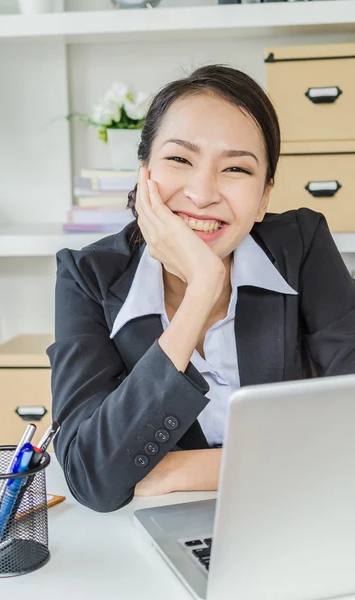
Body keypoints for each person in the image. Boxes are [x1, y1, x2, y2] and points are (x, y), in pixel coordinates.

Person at [46, 64, 355, 513]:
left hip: (296, 511)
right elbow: (92, 476)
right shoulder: (87, 276)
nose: (203, 192)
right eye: (179, 159)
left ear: (264, 196)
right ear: (144, 172)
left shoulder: (302, 247)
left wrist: (179, 470)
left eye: (236, 168)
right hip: (153, 531)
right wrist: (202, 290)